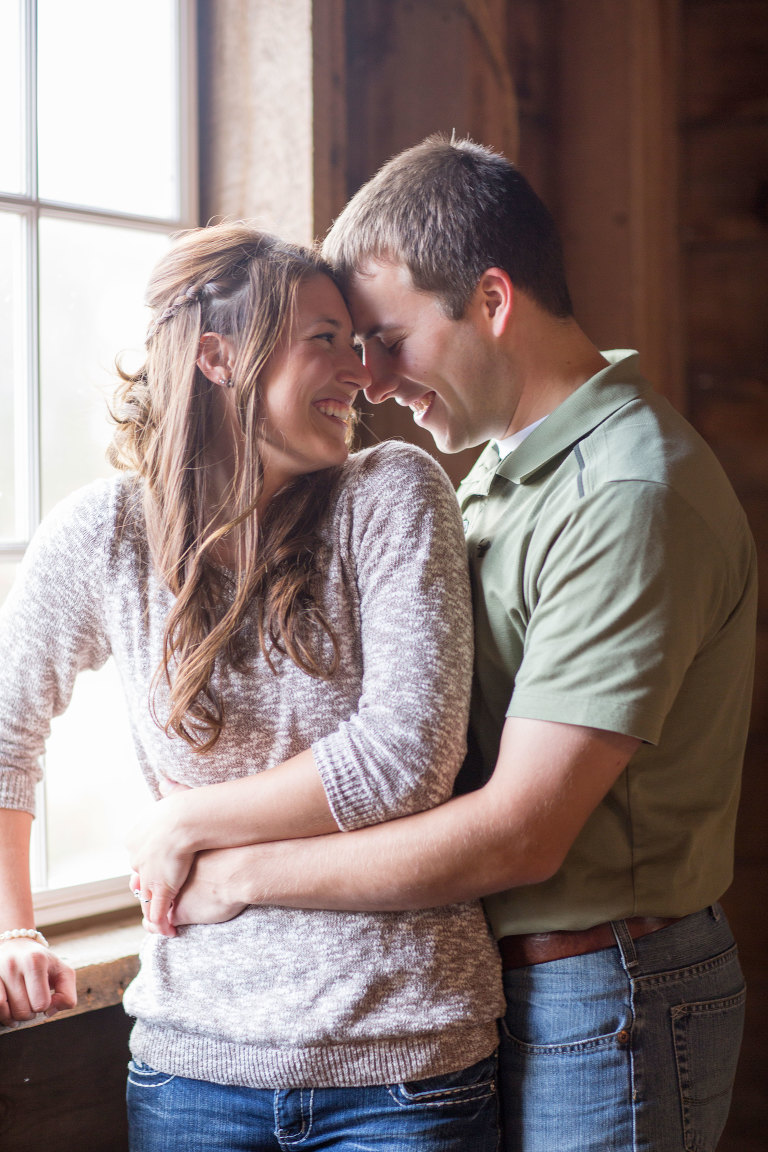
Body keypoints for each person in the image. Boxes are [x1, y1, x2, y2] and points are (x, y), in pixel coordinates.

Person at [166, 138, 758, 1152]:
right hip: (509, 989)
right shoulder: (493, 477)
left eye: (389, 339)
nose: (373, 380)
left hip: (605, 993)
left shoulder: (625, 497)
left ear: (491, 300)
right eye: (351, 346)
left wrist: (237, 872)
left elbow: (523, 832)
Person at [0, 222, 505, 1151]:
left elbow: (408, 758)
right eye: (325, 339)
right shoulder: (104, 537)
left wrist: (187, 822)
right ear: (218, 357)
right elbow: (5, 733)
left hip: (404, 1065)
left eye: (358, 344)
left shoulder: (391, 494)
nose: (359, 372)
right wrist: (12, 931)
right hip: (193, 1070)